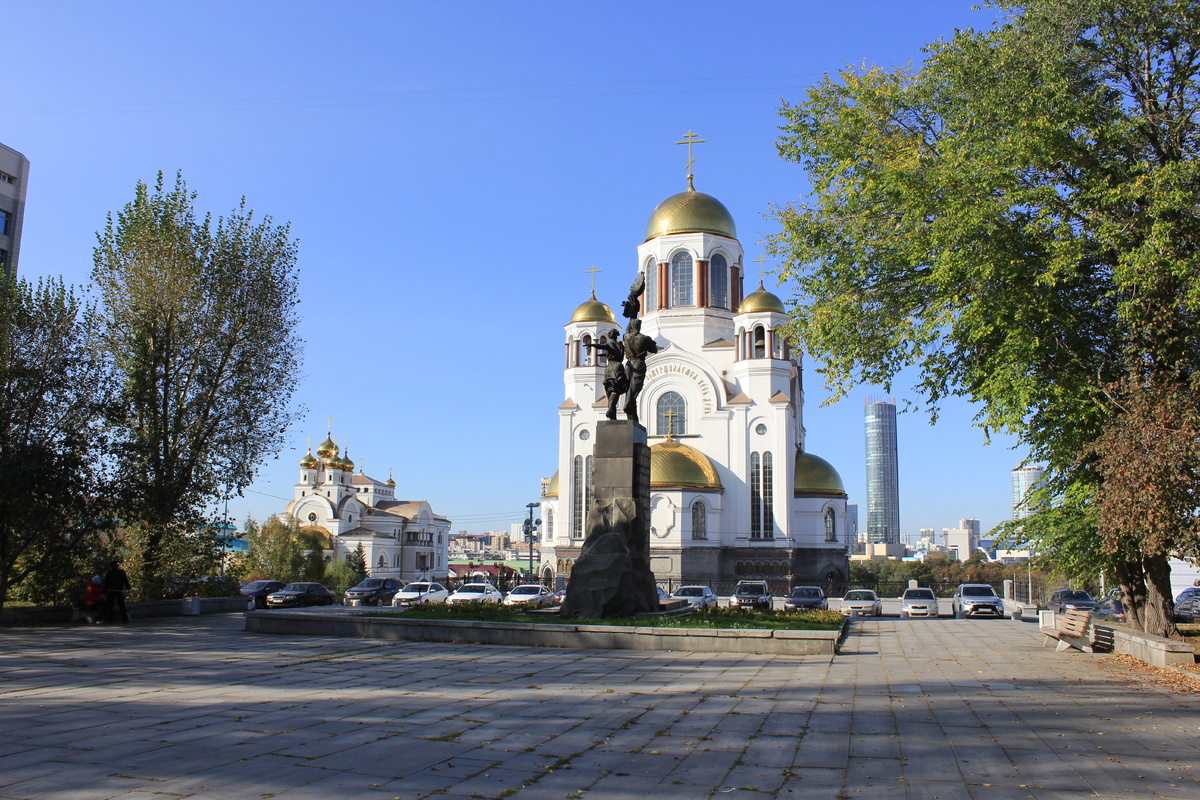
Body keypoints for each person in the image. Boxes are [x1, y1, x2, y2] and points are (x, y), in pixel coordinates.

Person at [583, 329, 627, 420]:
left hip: (610, 367)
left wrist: (591, 345)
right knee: (617, 388)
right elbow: (613, 352)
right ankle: (612, 412)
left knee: (610, 389)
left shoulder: (609, 345)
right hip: (619, 366)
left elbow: (601, 346)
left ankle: (611, 409)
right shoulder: (621, 345)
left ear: (610, 336)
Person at [622, 318, 659, 424]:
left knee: (628, 386)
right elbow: (654, 350)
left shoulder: (627, 337)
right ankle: (628, 404)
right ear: (640, 326)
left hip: (628, 365)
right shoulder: (645, 338)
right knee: (635, 387)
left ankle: (630, 408)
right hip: (638, 364)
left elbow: (626, 330)